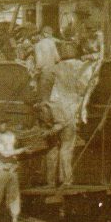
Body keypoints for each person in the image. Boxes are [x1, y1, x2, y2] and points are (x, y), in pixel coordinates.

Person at [44, 42, 90, 187]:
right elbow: (84, 88)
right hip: (70, 111)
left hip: (55, 110)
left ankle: (51, 181)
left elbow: (45, 82)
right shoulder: (80, 66)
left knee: (53, 149)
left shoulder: (54, 68)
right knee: (66, 148)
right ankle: (66, 180)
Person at [34, 26, 60, 100]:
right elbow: (58, 59)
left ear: (43, 34)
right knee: (49, 98)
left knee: (43, 99)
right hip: (53, 73)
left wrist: (34, 74)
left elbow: (39, 63)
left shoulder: (38, 45)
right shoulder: (52, 43)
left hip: (44, 74)